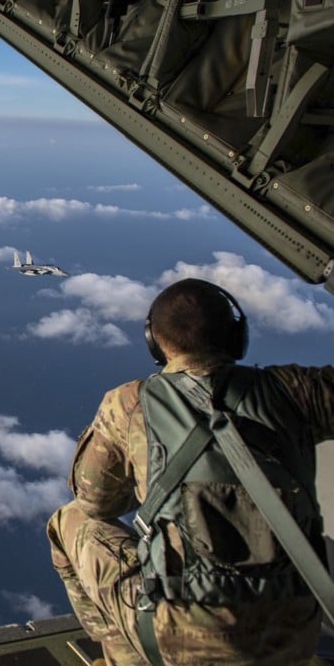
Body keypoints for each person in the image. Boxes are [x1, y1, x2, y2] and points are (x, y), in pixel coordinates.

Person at [47, 277, 334, 665]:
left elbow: (96, 502)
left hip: (180, 644)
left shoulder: (129, 405)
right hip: (295, 635)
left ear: (156, 343)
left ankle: (123, 656)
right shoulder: (296, 391)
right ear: (237, 336)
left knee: (70, 520)